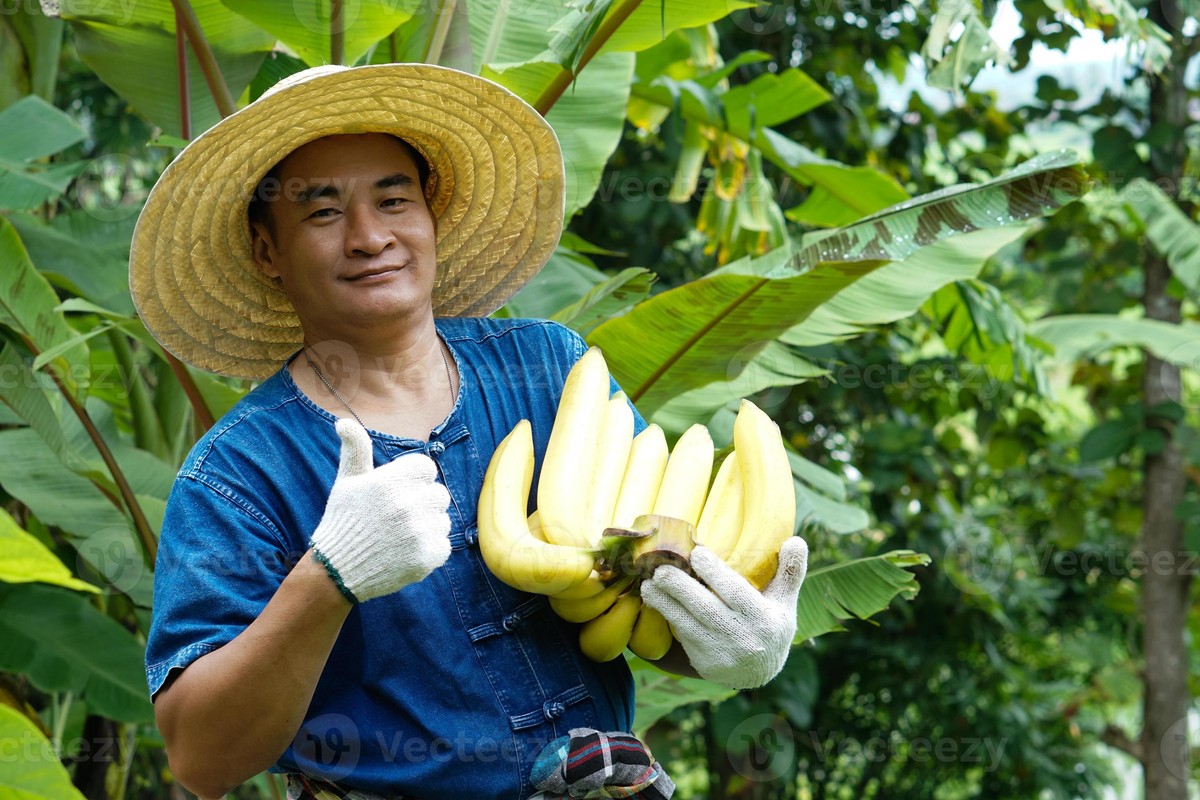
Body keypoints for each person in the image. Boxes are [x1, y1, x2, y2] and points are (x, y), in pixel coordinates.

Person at [133, 63, 809, 800]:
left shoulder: (551, 370)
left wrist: (742, 646)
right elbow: (201, 759)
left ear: (430, 217)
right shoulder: (237, 474)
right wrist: (328, 577)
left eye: (394, 199)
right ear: (268, 253)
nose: (369, 237)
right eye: (322, 212)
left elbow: (638, 610)